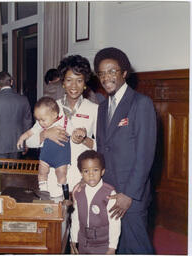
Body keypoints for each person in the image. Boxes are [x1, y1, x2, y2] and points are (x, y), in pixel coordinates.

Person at [93, 47, 157, 254]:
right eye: (101, 73)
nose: (106, 77)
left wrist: (128, 194)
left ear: (124, 73)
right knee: (115, 246)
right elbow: (102, 149)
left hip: (131, 195)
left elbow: (145, 156)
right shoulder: (102, 107)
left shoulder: (141, 103)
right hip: (108, 191)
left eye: (112, 71)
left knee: (137, 247)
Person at [26, 55, 98, 198]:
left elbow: (99, 146)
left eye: (79, 81)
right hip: (54, 180)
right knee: (58, 220)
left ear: (85, 83)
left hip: (82, 179)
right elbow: (29, 141)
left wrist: (84, 139)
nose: (74, 86)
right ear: (63, 82)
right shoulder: (51, 107)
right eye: (69, 80)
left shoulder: (94, 109)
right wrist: (45, 134)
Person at [17, 97, 71, 199]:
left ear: (54, 115)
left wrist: (78, 134)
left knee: (61, 173)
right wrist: (21, 138)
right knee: (42, 171)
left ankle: (61, 192)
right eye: (38, 120)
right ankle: (43, 190)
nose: (41, 122)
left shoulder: (65, 121)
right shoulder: (41, 124)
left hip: (61, 155)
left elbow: (74, 132)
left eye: (43, 120)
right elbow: (30, 132)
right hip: (46, 154)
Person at [70, 150, 121, 254]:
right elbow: (75, 219)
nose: (91, 175)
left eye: (95, 170)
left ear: (102, 171)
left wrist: (112, 247)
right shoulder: (78, 192)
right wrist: (73, 242)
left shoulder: (110, 193)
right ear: (81, 173)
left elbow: (115, 223)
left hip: (103, 245)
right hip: (83, 243)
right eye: (86, 171)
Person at [0, 71, 32, 159]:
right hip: (17, 144)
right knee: (14, 172)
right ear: (11, 82)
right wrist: (26, 142)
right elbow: (28, 123)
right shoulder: (23, 99)